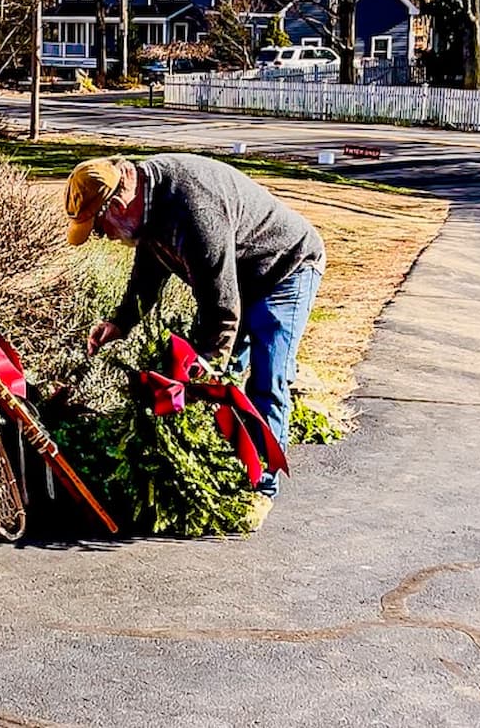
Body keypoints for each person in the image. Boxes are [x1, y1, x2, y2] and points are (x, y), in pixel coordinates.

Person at [65, 153, 325, 523]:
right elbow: (149, 271)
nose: (102, 237)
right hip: (238, 277)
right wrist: (120, 323)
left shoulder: (191, 207)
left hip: (285, 268)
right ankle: (233, 469)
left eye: (98, 227)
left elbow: (221, 308)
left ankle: (260, 491)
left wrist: (205, 364)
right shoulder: (147, 203)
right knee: (224, 380)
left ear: (118, 204)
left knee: (266, 379)